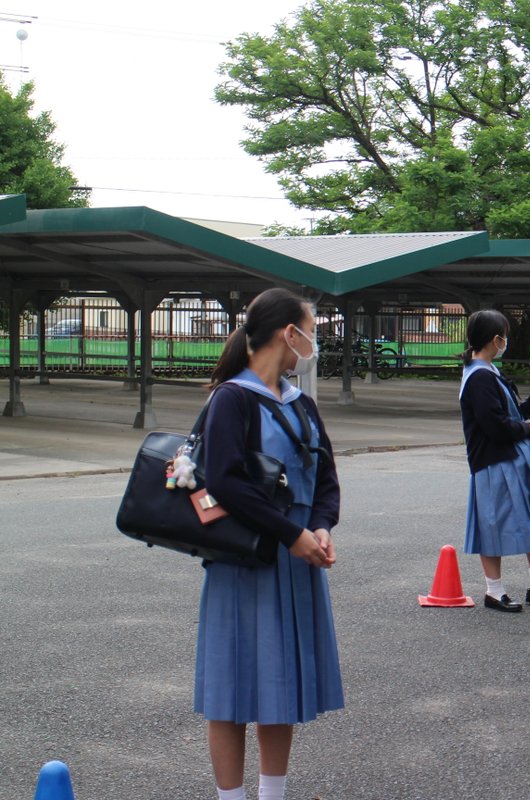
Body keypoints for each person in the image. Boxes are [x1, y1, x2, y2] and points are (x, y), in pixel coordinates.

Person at [196, 288, 343, 800]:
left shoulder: (301, 403)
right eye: (313, 330)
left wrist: (321, 526)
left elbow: (325, 478)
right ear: (290, 334)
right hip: (245, 559)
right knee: (231, 689)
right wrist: (294, 534)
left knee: (281, 684)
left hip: (297, 553)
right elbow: (226, 481)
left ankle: (272, 795)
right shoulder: (232, 398)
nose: (315, 342)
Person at [459, 309, 530, 612]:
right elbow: (496, 426)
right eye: (505, 336)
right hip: (495, 463)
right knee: (492, 525)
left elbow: (512, 413)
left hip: (512, 461)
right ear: (496, 340)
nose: (506, 341)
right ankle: (494, 592)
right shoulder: (480, 377)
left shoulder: (486, 371)